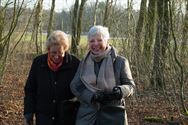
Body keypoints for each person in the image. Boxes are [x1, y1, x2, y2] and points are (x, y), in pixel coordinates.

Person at [70, 25, 135, 125]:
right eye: (92, 41)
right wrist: (91, 96)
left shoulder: (120, 61)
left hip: (113, 115)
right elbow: (75, 86)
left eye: (99, 40)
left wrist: (120, 91)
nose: (95, 44)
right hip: (88, 117)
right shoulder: (83, 62)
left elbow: (130, 86)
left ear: (107, 41)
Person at [24, 30, 80, 125]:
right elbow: (30, 89)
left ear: (65, 49)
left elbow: (80, 90)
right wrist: (28, 112)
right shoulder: (38, 62)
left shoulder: (75, 64)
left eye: (60, 52)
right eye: (53, 52)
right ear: (48, 49)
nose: (56, 56)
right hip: (43, 116)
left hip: (66, 117)